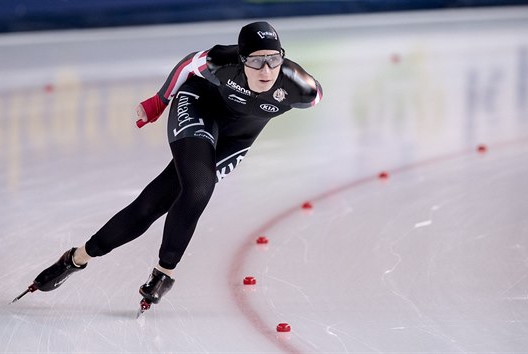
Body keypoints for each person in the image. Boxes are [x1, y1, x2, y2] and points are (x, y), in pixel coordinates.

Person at [18, 21, 322, 308]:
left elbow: (317, 95)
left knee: (152, 204)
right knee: (199, 188)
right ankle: (165, 272)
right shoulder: (222, 61)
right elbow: (190, 63)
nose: (266, 69)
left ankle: (76, 259)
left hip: (237, 139)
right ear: (242, 60)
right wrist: (159, 101)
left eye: (273, 59)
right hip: (200, 105)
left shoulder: (302, 88)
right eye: (255, 61)